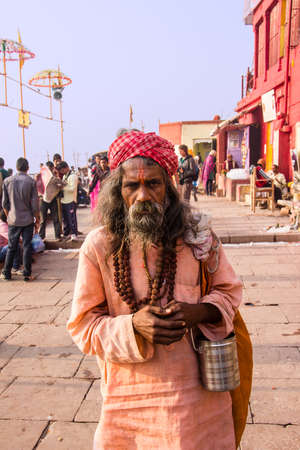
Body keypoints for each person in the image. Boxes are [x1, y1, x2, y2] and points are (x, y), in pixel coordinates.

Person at [67, 130, 252, 449]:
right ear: (118, 191)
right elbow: (83, 326)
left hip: (199, 402)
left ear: (167, 188)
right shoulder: (98, 247)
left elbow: (229, 292)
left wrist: (199, 312)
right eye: (132, 186)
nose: (142, 196)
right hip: (127, 405)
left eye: (152, 184)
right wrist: (133, 326)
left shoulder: (197, 235)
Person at [1, 157, 39, 281]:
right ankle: (27, 274)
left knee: (12, 246)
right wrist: (36, 219)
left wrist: (8, 216)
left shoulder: (7, 181)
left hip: (13, 218)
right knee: (27, 246)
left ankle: (7, 272)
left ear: (16, 167)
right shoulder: (31, 182)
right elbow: (34, 205)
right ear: (27, 168)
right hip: (27, 219)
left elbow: (4, 204)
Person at [39, 161, 65, 240]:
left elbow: (63, 184)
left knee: (55, 218)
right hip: (43, 199)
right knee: (43, 219)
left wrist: (56, 175)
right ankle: (41, 236)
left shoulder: (54, 178)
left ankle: (57, 235)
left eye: (50, 168)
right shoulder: (41, 177)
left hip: (53, 199)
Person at [57, 161, 78, 241]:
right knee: (65, 219)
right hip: (64, 200)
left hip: (71, 200)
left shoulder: (73, 176)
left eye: (62, 170)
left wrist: (62, 187)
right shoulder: (65, 176)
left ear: (66, 168)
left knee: (72, 219)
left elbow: (72, 188)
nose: (61, 172)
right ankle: (67, 233)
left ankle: (74, 233)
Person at [0, 209, 22, 273]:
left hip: (3, 248)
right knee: (15, 245)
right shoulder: (2, 226)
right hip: (1, 251)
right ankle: (15, 268)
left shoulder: (7, 224)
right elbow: (14, 239)